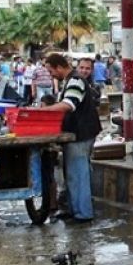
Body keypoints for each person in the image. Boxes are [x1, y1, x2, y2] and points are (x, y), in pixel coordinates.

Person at [44, 53, 101, 224]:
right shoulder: (69, 80)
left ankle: (83, 213)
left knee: (78, 174)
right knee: (73, 173)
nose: (51, 75)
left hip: (81, 134)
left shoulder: (75, 81)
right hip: (77, 133)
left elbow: (68, 104)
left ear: (59, 67)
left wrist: (43, 111)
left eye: (51, 71)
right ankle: (74, 210)